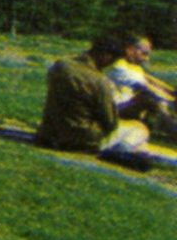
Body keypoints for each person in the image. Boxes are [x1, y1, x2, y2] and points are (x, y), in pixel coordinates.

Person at [36, 34, 177, 167]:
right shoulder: (99, 81)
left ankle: (136, 152)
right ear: (104, 56)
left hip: (49, 132)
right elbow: (110, 122)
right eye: (113, 58)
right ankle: (122, 152)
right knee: (139, 129)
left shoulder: (61, 66)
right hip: (80, 140)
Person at [105, 32, 177, 138]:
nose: (146, 59)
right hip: (115, 109)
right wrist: (172, 101)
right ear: (130, 50)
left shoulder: (133, 67)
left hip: (127, 105)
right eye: (144, 53)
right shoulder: (119, 69)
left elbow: (154, 82)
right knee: (149, 99)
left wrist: (173, 92)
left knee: (157, 100)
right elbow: (148, 88)